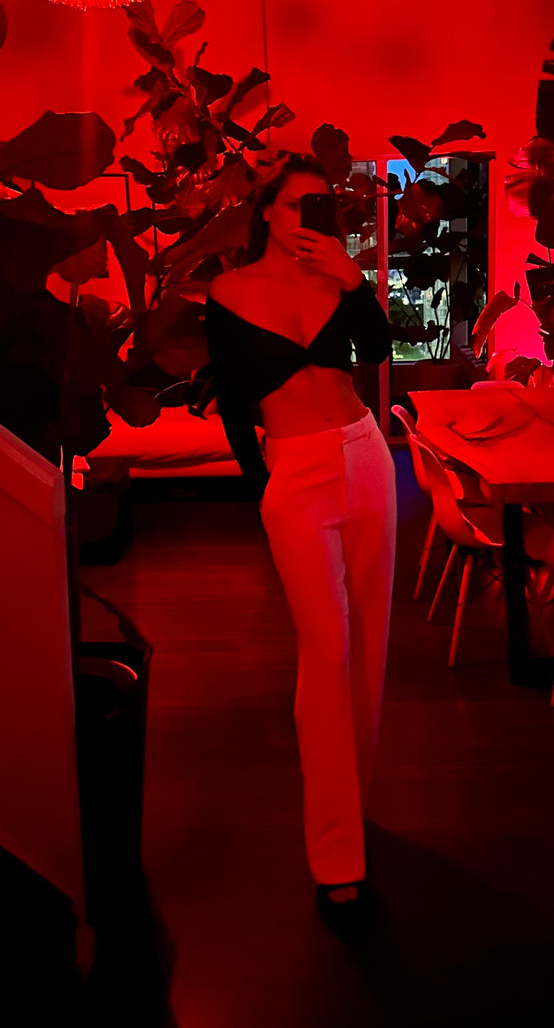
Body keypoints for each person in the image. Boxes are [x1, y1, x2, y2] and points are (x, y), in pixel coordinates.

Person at [204, 154, 396, 933]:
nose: (311, 218)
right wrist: (264, 487)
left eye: (323, 206)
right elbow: (230, 400)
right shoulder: (227, 291)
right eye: (296, 206)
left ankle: (352, 804)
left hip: (366, 453)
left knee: (369, 649)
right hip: (297, 472)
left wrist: (354, 280)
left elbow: (379, 350)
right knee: (325, 650)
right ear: (268, 214)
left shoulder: (337, 281)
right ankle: (336, 857)